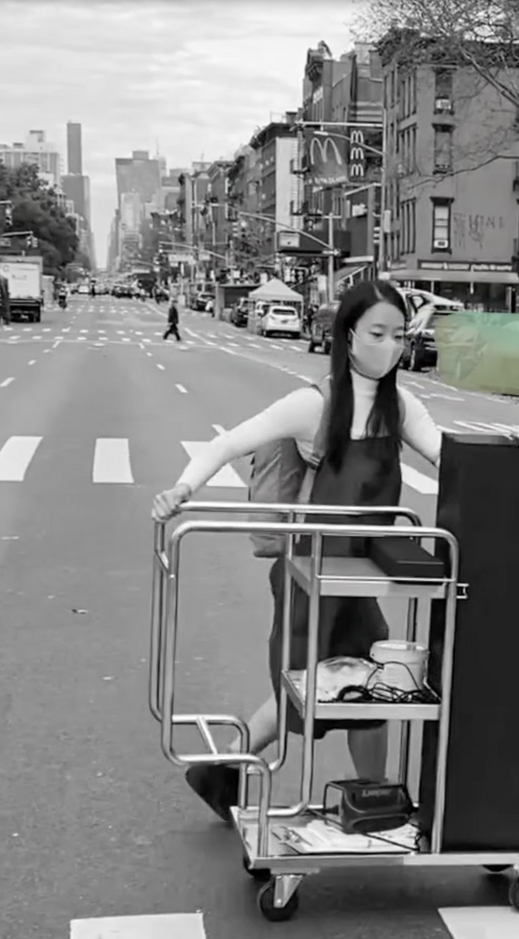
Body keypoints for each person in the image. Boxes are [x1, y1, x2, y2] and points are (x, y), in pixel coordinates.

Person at [152, 281, 444, 822]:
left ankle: (365, 798)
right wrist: (182, 491)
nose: (390, 346)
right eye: (378, 333)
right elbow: (226, 443)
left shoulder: (400, 407)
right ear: (348, 335)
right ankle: (235, 775)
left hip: (364, 574)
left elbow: (448, 458)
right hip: (310, 572)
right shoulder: (314, 403)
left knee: (367, 680)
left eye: (400, 335)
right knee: (307, 684)